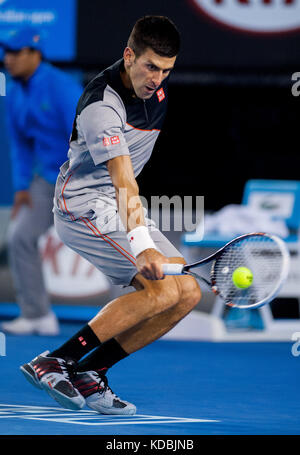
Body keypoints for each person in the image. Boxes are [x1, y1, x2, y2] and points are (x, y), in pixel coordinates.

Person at [20, 16, 201, 415]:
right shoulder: (102, 107)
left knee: (187, 293)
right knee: (161, 291)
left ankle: (91, 372)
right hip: (82, 206)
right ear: (128, 55)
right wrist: (143, 246)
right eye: (150, 66)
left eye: (167, 70)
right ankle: (55, 361)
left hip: (115, 204)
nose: (157, 79)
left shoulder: (154, 89)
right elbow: (122, 181)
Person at [0, 27, 82, 335]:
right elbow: (20, 144)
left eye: (15, 53)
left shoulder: (61, 87)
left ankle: (136, 314)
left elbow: (85, 136)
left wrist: (84, 182)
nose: (7, 60)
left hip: (81, 180)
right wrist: (22, 186)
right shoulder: (13, 91)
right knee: (19, 237)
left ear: (35, 54)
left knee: (110, 245)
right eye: (6, 53)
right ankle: (37, 315)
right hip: (46, 180)